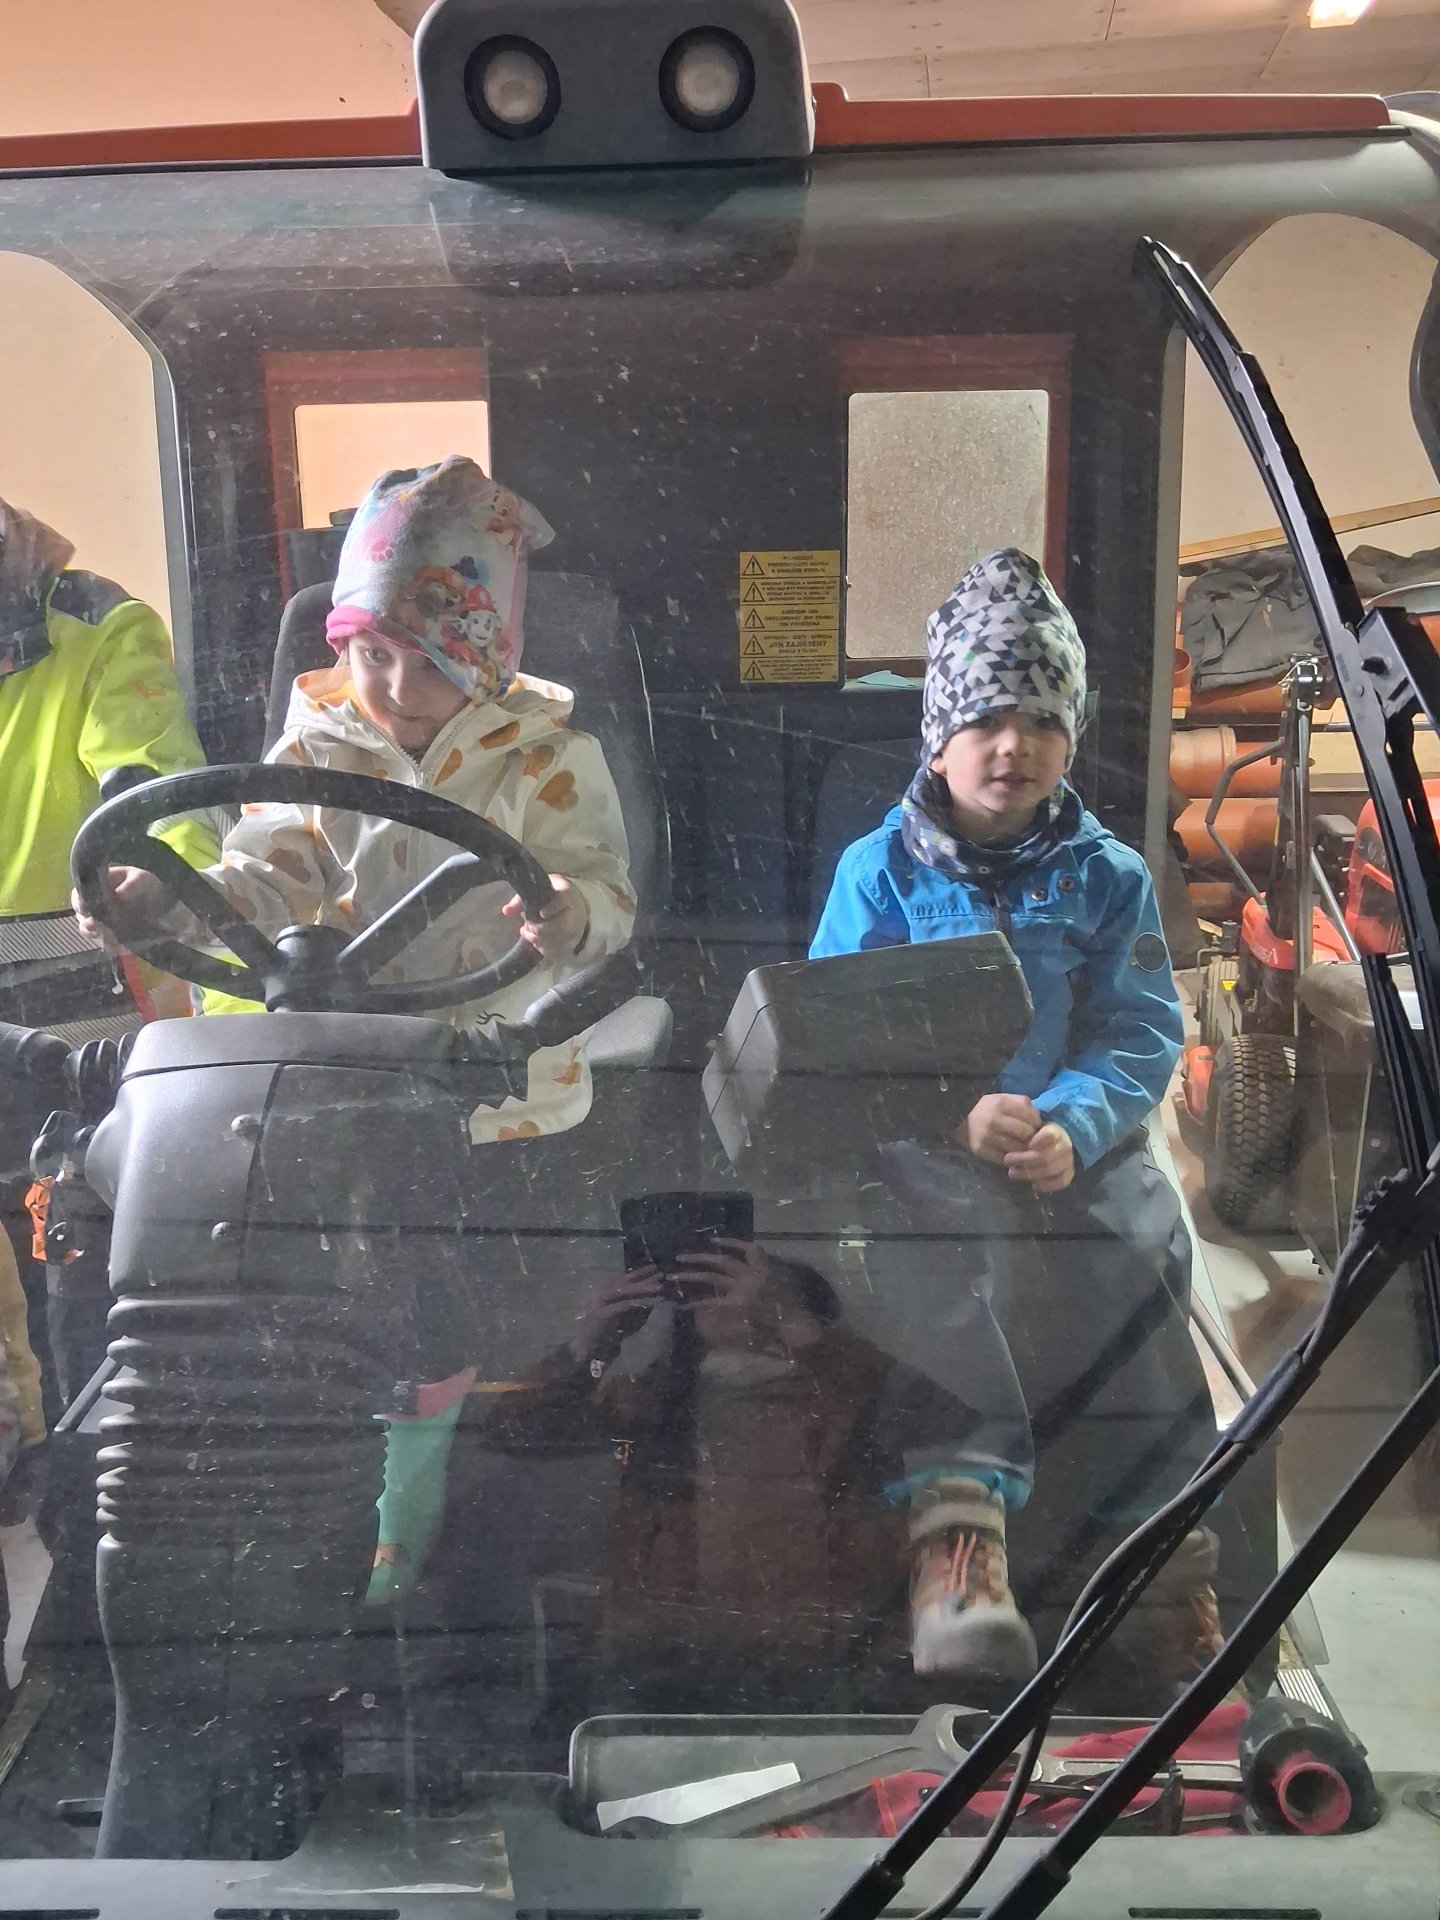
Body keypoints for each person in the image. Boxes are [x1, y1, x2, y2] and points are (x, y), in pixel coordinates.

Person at [78, 457, 636, 1598]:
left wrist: (569, 914)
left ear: (483, 658)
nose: (392, 685)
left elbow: (606, 896)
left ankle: (422, 1489)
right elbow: (265, 876)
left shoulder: (550, 759)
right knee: (335, 1304)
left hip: (495, 1078)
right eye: (371, 653)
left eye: (426, 662)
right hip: (351, 1080)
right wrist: (167, 901)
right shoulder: (314, 747)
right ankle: (310, 1485)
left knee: (449, 1313)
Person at [811, 548, 1220, 1697]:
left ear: (1071, 736)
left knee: (1145, 1235)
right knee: (940, 1243)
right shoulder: (877, 873)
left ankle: (1159, 1550)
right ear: (937, 735)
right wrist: (952, 1114)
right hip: (925, 1143)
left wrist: (1075, 1124)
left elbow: (1140, 1027)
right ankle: (959, 1536)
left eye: (1041, 720)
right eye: (985, 717)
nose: (1013, 745)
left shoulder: (1108, 876)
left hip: (1065, 1141)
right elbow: (831, 1032)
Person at [477, 1238, 990, 1713]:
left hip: (824, 1673)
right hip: (656, 1673)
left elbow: (951, 1428)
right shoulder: (655, 1399)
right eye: (707, 1289)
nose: (725, 1303)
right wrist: (595, 1340)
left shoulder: (850, 1398)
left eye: (741, 1288)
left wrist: (794, 1327)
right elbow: (511, 1431)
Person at [0, 496, 217, 1469]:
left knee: (77, 1300)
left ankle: (82, 1491)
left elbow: (149, 774)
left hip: (72, 1029)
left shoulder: (96, 625)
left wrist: (145, 864)